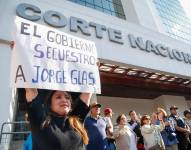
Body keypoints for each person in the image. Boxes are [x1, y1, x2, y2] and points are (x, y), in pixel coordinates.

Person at [25, 88, 92, 150]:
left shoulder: (75, 120)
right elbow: (31, 91)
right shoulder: (41, 122)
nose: (64, 100)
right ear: (50, 105)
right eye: (58, 97)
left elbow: (88, 90)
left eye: (67, 97)